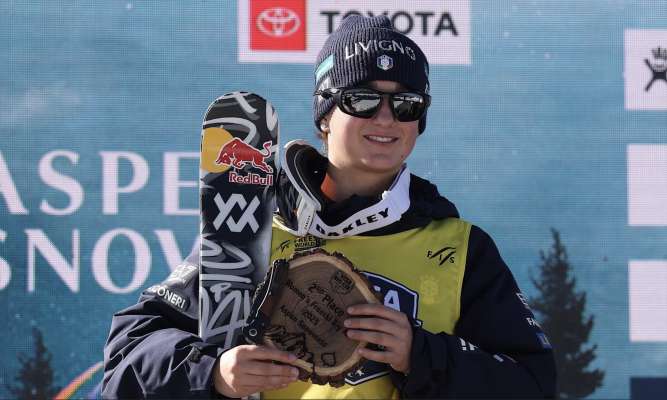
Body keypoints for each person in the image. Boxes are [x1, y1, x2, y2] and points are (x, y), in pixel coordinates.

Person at [102, 15, 556, 399]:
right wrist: (213, 374)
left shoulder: (459, 249)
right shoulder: (253, 226)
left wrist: (418, 353)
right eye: (361, 99)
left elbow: (533, 384)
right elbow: (128, 355)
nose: (385, 118)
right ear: (324, 114)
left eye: (406, 103)